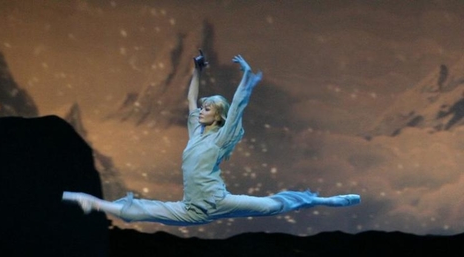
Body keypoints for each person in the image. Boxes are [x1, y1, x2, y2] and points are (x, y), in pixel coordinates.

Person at [62, 51, 360, 226]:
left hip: (218, 201)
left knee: (272, 207)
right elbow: (190, 101)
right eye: (203, 108)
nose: (201, 111)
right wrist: (196, 71)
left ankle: (325, 200)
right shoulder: (196, 134)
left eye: (207, 108)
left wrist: (246, 78)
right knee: (142, 210)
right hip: (192, 207)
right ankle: (91, 202)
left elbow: (238, 107)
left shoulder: (220, 136)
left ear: (217, 115)